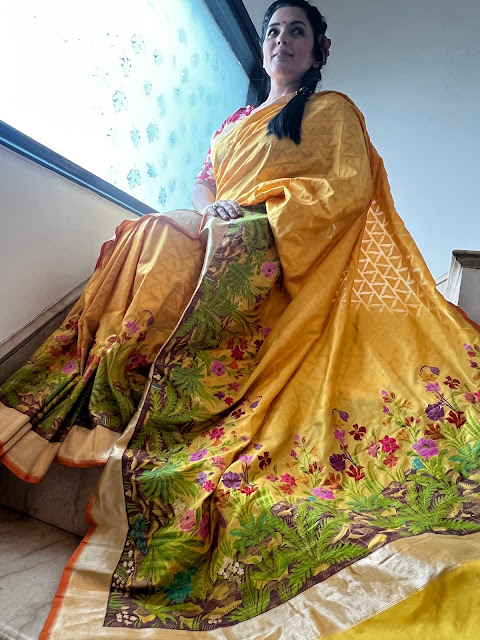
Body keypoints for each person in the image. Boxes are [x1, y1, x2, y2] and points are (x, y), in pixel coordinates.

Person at [1, 2, 479, 638]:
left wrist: (257, 210)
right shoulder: (235, 122)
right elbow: (205, 182)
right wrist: (214, 208)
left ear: (319, 49)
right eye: (273, 31)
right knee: (147, 233)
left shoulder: (329, 111)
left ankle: (148, 390)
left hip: (277, 246)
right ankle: (112, 386)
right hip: (225, 227)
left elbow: (343, 190)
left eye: (297, 31)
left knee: (160, 238)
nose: (282, 40)